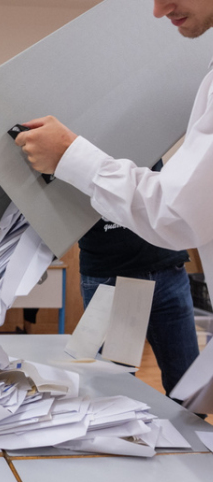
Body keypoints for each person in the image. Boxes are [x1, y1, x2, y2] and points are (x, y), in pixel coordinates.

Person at [14, 0, 213, 299]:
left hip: (162, 264)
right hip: (106, 269)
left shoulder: (141, 128)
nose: (158, 11)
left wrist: (70, 155)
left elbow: (175, 213)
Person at [79, 160, 198, 396]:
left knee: (190, 393)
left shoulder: (143, 125)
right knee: (116, 395)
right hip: (113, 275)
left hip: (167, 267)